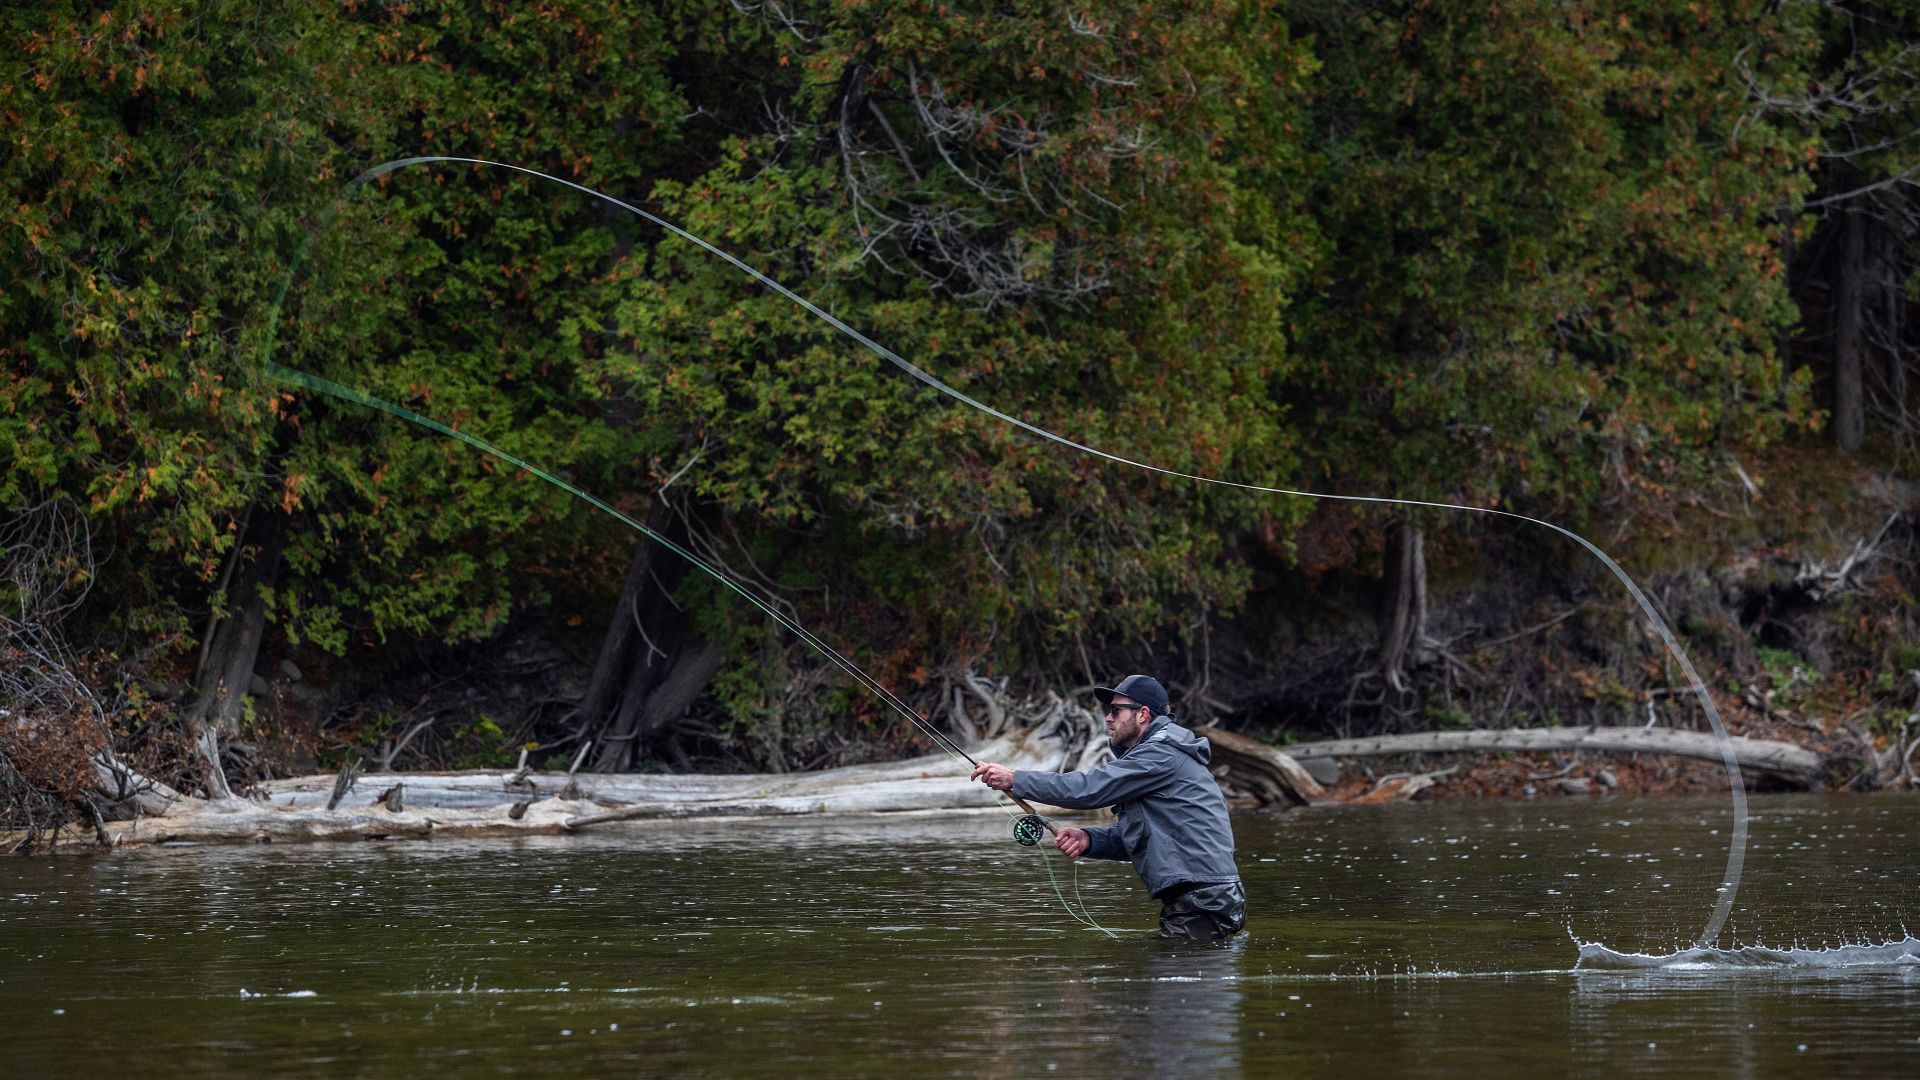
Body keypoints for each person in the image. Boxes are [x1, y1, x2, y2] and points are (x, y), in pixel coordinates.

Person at [970, 674, 1246, 942]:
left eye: (1116, 710)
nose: (1108, 718)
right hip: (1205, 899)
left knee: (1173, 980)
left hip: (1203, 900)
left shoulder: (1161, 754)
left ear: (1143, 714)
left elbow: (1090, 788)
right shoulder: (1156, 757)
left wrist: (1016, 779)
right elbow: (1147, 837)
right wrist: (1090, 839)